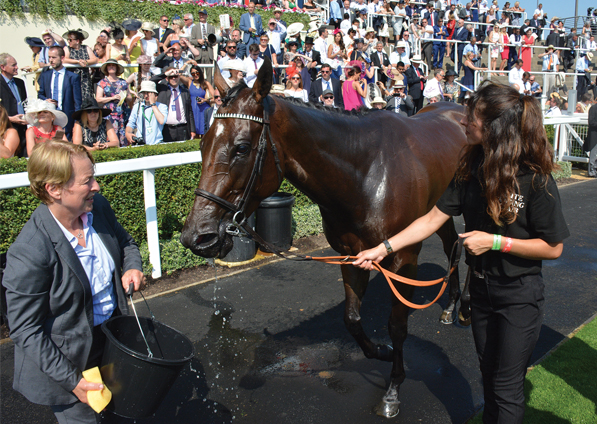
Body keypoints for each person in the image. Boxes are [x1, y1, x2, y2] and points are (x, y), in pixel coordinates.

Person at [354, 81, 569, 424]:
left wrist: (496, 242)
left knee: (507, 387)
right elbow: (431, 219)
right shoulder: (471, 168)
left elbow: (553, 247)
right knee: (488, 376)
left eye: (472, 119)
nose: (465, 123)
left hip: (519, 296)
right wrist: (382, 249)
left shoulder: (535, 180)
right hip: (480, 291)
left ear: (495, 127)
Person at [3, 140, 145, 424]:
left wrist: (131, 267)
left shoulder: (99, 209)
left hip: (111, 342)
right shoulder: (30, 250)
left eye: (93, 176)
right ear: (54, 190)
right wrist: (72, 381)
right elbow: (25, 330)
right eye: (87, 181)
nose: (97, 187)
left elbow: (126, 242)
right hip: (68, 364)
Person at [37, 46, 82, 141]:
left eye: (54, 57)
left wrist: (76, 122)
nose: (51, 60)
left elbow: (77, 102)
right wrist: (46, 100)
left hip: (67, 117)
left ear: (62, 58)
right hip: (50, 117)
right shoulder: (45, 75)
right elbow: (40, 94)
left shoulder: (72, 77)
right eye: (49, 57)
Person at [151, 67, 195, 142]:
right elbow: (151, 81)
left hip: (183, 127)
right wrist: (165, 74)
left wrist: (192, 129)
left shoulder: (185, 91)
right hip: (167, 129)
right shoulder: (162, 89)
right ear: (167, 79)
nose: (174, 78)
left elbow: (189, 111)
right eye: (171, 77)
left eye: (176, 76)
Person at [96, 59, 131, 146]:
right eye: (109, 65)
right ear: (106, 68)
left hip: (122, 114)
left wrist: (124, 96)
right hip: (108, 115)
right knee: (111, 136)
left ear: (117, 68)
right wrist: (112, 98)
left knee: (123, 137)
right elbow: (98, 99)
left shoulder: (123, 82)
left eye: (113, 65)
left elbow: (130, 98)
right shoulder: (102, 82)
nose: (111, 67)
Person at [0, 53, 28, 156]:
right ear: (3, 67)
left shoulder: (20, 83)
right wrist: (10, 118)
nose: (17, 67)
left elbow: (25, 103)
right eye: (13, 65)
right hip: (6, 127)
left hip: (23, 127)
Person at [126, 80, 168, 145]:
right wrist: (127, 133)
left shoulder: (162, 106)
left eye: (148, 93)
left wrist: (153, 104)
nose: (146, 96)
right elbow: (131, 123)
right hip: (141, 143)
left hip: (157, 143)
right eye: (144, 93)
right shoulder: (137, 107)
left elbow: (162, 121)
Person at [63, 29, 98, 101]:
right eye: (68, 40)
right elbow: (64, 59)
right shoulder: (67, 48)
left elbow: (94, 59)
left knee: (87, 99)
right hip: (72, 78)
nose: (68, 41)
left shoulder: (86, 48)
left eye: (70, 40)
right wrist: (77, 61)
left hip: (85, 79)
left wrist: (86, 62)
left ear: (77, 41)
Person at [180, 65, 214, 138]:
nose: (195, 75)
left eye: (197, 73)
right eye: (193, 73)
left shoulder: (206, 83)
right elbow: (179, 75)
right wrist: (187, 63)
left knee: (204, 134)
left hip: (203, 110)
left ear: (200, 73)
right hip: (193, 111)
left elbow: (215, 98)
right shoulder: (190, 82)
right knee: (194, 133)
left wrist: (205, 100)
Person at [190, 9, 216, 82]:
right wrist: (198, 41)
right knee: (199, 74)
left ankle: (210, 91)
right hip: (199, 52)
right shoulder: (195, 28)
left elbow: (214, 42)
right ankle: (200, 89)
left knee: (209, 75)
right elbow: (191, 40)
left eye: (203, 14)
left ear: (206, 16)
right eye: (200, 14)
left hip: (208, 52)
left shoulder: (211, 28)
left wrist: (210, 41)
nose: (201, 16)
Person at [584, 101, 597, 177]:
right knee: (593, 153)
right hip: (594, 135)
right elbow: (591, 122)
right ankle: (591, 171)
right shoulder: (593, 108)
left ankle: (594, 170)